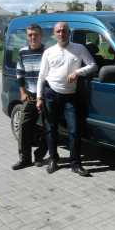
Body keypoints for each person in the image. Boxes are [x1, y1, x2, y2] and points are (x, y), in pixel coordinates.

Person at [36, 22, 97, 176]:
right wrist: (38, 97)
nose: (61, 34)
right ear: (54, 34)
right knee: (50, 129)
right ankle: (53, 160)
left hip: (71, 95)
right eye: (58, 31)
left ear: (69, 32)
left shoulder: (79, 48)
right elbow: (41, 76)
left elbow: (93, 65)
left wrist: (78, 72)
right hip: (50, 93)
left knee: (74, 130)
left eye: (64, 31)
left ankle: (75, 163)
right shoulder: (49, 52)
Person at [12, 24, 47, 170]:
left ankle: (39, 156)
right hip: (30, 96)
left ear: (41, 35)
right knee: (24, 127)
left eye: (36, 34)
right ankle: (25, 159)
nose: (33, 37)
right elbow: (19, 72)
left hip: (46, 96)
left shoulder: (48, 52)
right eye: (30, 35)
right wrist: (22, 91)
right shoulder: (22, 52)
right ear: (27, 36)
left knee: (49, 128)